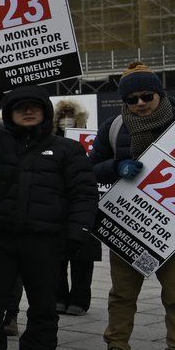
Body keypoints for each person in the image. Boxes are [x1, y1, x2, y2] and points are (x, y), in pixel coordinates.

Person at [0, 86, 96, 350]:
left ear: (46, 112)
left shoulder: (67, 149)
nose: (28, 111)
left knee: (43, 308)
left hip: (45, 241)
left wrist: (78, 232)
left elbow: (83, 194)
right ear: (9, 114)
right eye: (20, 107)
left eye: (35, 106)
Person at [91, 64, 175, 350]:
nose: (140, 103)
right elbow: (91, 168)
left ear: (160, 94)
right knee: (122, 295)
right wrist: (115, 167)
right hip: (130, 224)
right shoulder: (114, 127)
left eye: (146, 96)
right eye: (131, 98)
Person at [51, 99, 97, 317]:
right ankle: (59, 296)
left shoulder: (90, 140)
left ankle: (79, 299)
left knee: (83, 257)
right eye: (62, 115)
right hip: (57, 204)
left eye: (70, 115)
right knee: (56, 257)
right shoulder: (49, 142)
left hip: (83, 201)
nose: (65, 120)